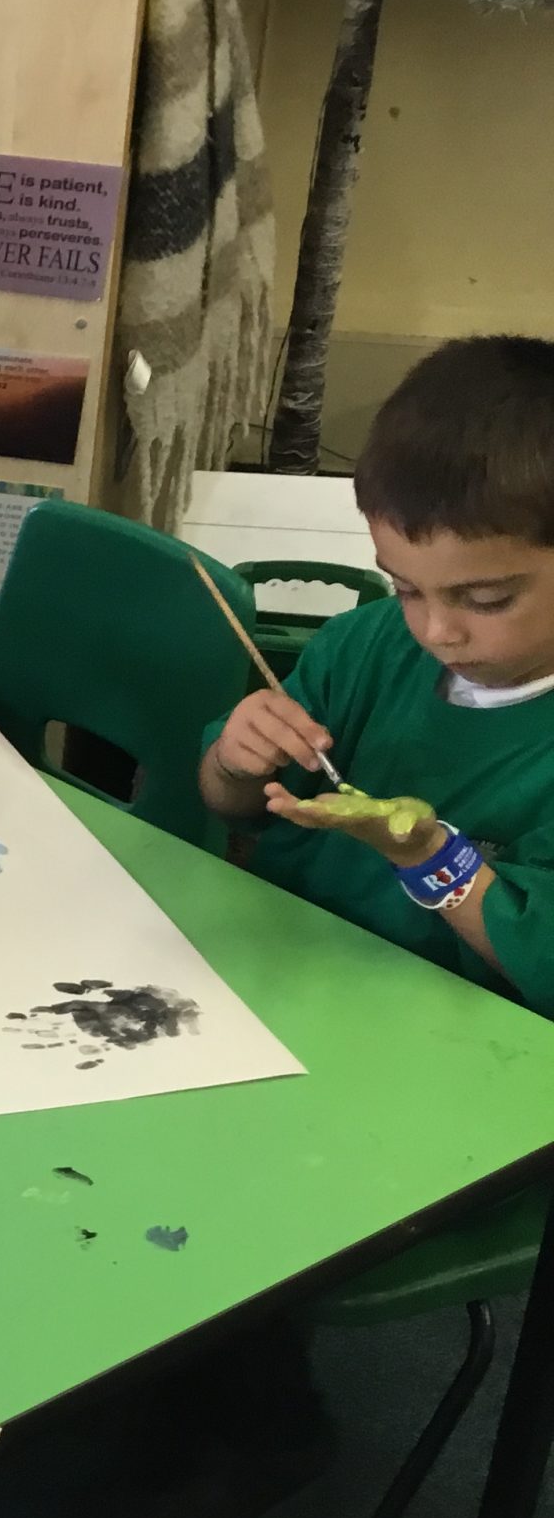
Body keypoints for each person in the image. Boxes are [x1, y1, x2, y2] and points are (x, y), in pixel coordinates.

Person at [200, 336, 554, 1013]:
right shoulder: (364, 646)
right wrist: (234, 761)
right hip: (276, 984)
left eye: (486, 599)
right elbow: (233, 806)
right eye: (405, 588)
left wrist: (431, 857)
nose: (436, 631)